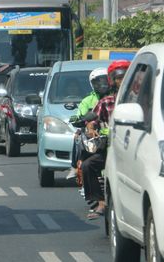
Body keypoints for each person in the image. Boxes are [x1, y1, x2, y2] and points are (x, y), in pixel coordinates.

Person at [82, 60, 130, 220]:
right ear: (113, 81)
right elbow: (92, 120)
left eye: (125, 77)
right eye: (118, 78)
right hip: (111, 149)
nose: (122, 81)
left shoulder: (142, 100)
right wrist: (90, 129)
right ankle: (100, 202)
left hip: (134, 151)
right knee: (88, 166)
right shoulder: (106, 102)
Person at [66, 67, 109, 179]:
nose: (102, 85)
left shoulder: (117, 97)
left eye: (105, 81)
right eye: (98, 82)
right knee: (78, 137)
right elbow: (81, 117)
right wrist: (81, 122)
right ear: (92, 84)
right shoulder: (87, 101)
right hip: (95, 137)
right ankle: (75, 167)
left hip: (114, 135)